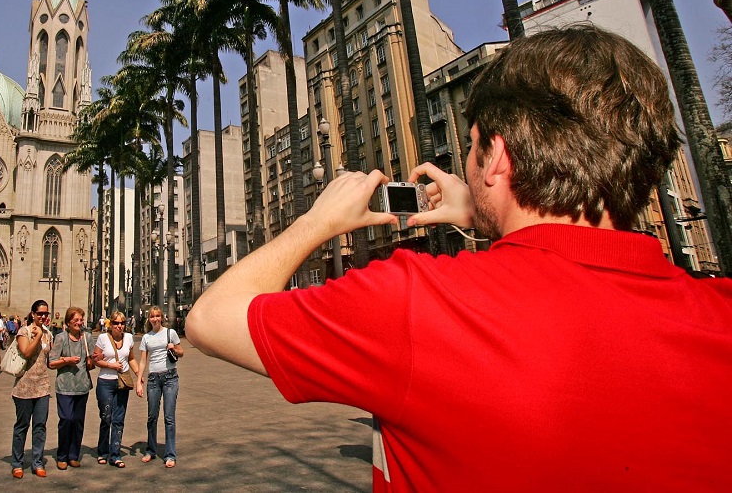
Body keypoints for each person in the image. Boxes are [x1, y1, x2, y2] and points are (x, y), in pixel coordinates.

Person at [186, 26, 732, 491]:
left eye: (472, 147)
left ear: (496, 156)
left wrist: (317, 222)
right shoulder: (719, 310)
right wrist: (488, 211)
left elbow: (210, 319)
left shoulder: (416, 301)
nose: (467, 166)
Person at [9, 300, 53, 479]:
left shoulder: (49, 334)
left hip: (42, 386)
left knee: (40, 426)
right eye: (40, 313)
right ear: (33, 314)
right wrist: (37, 336)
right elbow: (26, 353)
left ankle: (37, 462)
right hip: (24, 386)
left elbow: (48, 359)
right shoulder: (24, 331)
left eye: (45, 313)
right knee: (22, 426)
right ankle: (17, 463)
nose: (43, 316)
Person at [48, 306, 96, 470]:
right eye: (76, 320)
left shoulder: (87, 338)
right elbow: (52, 362)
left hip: (82, 385)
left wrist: (94, 360)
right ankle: (62, 455)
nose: (79, 323)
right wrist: (66, 361)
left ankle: (73, 455)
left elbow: (91, 361)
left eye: (81, 320)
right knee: (66, 419)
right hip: (64, 386)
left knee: (78, 421)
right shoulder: (60, 338)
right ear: (68, 322)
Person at [136, 306, 183, 467]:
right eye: (152, 316)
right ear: (148, 319)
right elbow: (143, 360)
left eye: (157, 316)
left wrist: (174, 349)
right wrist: (139, 380)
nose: (155, 319)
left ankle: (170, 454)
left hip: (170, 377)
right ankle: (151, 450)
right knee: (152, 416)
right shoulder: (146, 337)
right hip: (153, 379)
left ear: (161, 317)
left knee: (169, 417)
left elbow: (181, 351)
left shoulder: (170, 333)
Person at [93, 310, 139, 468]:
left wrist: (139, 374)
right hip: (105, 381)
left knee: (118, 419)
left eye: (122, 323)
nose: (119, 326)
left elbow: (131, 358)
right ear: (110, 325)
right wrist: (110, 365)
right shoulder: (102, 338)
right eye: (116, 323)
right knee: (106, 417)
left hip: (122, 382)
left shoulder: (129, 338)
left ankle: (115, 454)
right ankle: (102, 452)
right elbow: (95, 360)